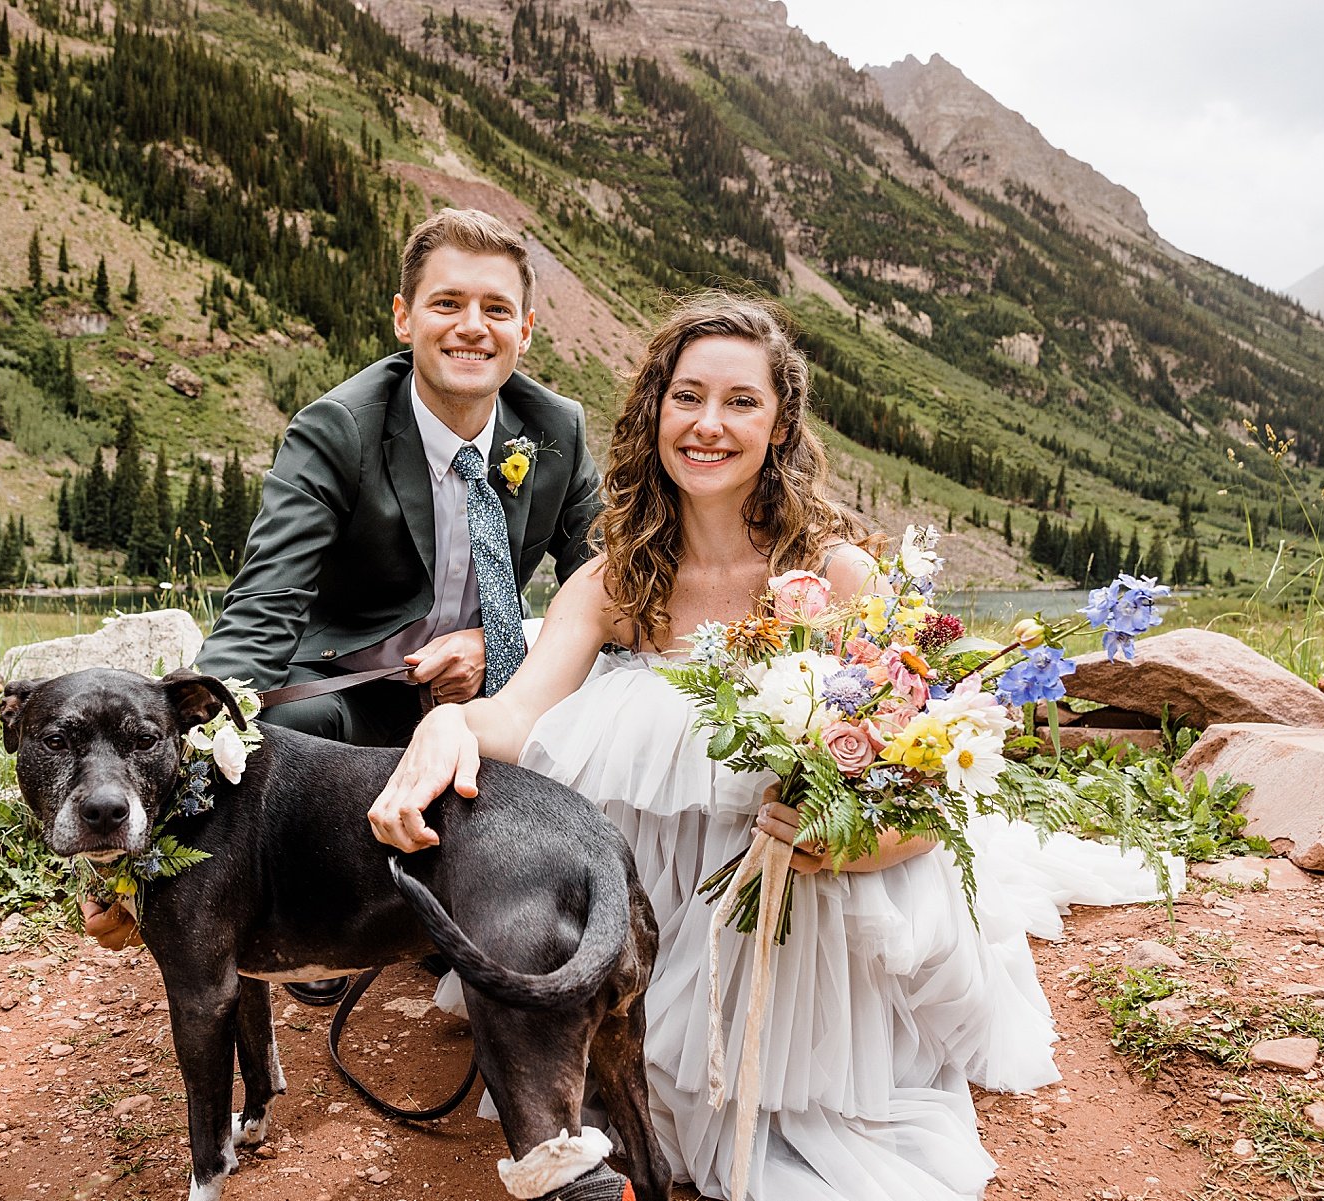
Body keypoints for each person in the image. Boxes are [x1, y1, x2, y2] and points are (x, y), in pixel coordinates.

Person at [368, 293, 1176, 1200]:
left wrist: (856, 841)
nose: (709, 424)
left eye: (741, 401)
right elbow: (517, 718)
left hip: (800, 886)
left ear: (780, 420)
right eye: (688, 397)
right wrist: (446, 721)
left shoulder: (835, 574)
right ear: (655, 412)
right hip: (659, 893)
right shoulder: (611, 579)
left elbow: (915, 766)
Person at [81, 208, 603, 952]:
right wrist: (142, 837)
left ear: (524, 331)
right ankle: (312, 916)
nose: (471, 327)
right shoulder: (337, 430)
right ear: (404, 317)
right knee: (269, 744)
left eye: (495, 309)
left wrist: (506, 638)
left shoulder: (558, 430)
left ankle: (503, 916)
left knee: (597, 720)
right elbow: (261, 609)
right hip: (352, 698)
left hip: (489, 700)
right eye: (447, 303)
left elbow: (612, 592)